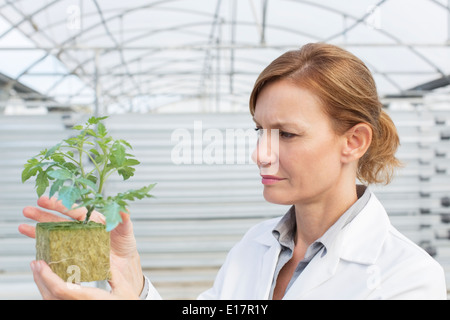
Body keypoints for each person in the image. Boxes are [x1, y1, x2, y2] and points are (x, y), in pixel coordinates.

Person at [19, 42, 447, 300]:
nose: (261, 154)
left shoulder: (406, 278)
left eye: (288, 135)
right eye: (260, 130)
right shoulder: (256, 246)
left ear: (353, 141)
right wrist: (133, 286)